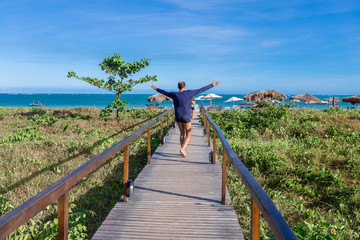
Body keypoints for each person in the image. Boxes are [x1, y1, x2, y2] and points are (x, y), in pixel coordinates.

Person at [151, 81, 220, 157]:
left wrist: (156, 88)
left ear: (178, 87)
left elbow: (164, 92)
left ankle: (182, 149)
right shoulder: (189, 93)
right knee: (189, 134)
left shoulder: (174, 94)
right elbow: (201, 90)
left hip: (178, 117)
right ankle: (183, 149)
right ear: (185, 86)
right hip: (186, 117)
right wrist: (212, 85)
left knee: (182, 134)